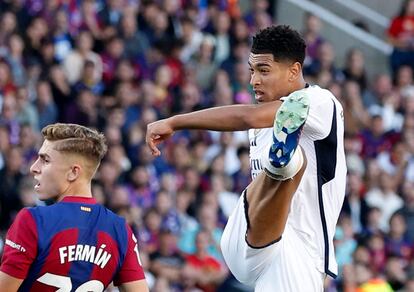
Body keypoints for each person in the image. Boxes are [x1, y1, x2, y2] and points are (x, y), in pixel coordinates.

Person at [146, 25, 346, 291]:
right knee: (290, 161)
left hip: (297, 247)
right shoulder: (262, 121)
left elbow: (246, 116)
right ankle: (283, 164)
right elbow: (249, 117)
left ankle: (284, 163)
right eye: (252, 71)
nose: (253, 81)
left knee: (292, 158)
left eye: (263, 71)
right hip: (251, 233)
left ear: (294, 71)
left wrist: (175, 121)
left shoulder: (320, 101)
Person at [0, 123, 149, 292]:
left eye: (45, 160)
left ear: (73, 173)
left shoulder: (33, 220)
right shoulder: (121, 230)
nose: (34, 168)